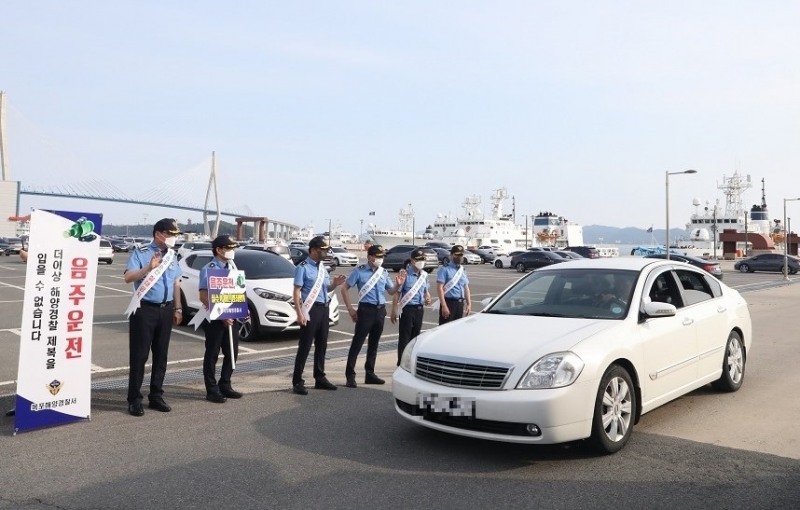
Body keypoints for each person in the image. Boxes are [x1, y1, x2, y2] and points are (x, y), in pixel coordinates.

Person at [123, 218, 183, 417]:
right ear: (158, 234)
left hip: (166, 310)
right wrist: (148, 268)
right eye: (171, 234)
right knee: (140, 355)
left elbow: (176, 283)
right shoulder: (141, 252)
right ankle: (134, 399)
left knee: (161, 355)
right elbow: (128, 277)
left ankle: (156, 395)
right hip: (145, 310)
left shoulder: (172, 255)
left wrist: (178, 308)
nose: (174, 238)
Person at [340, 244, 406, 387]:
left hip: (380, 310)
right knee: (358, 342)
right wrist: (350, 309)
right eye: (378, 256)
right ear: (370, 257)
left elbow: (390, 291)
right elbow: (344, 288)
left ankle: (370, 373)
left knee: (374, 343)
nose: (381, 259)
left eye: (382, 256)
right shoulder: (359, 271)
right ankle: (350, 375)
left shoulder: (383, 272)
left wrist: (398, 285)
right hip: (366, 310)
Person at [291, 236, 346, 395]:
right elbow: (296, 291)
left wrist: (334, 284)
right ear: (313, 250)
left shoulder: (323, 268)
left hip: (324, 309)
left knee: (322, 345)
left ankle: (320, 377)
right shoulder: (302, 267)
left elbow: (325, 289)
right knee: (305, 346)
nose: (325, 253)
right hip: (310, 310)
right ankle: (297, 381)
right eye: (322, 250)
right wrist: (299, 312)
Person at [199, 235, 245, 403]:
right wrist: (222, 315)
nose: (232, 252)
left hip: (231, 319)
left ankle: (225, 384)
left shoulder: (232, 267)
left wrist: (238, 311)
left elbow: (237, 293)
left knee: (232, 352)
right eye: (229, 248)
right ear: (219, 250)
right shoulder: (209, 268)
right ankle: (211, 389)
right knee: (212, 354)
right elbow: (204, 296)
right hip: (215, 320)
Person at [390, 248, 431, 365]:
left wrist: (428, 298)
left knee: (415, 339)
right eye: (419, 259)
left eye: (423, 259)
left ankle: (411, 363)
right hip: (407, 309)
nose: (421, 262)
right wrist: (393, 310)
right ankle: (401, 364)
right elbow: (397, 293)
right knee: (405, 339)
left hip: (419, 309)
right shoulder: (405, 274)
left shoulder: (424, 275)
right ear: (412, 261)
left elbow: (425, 291)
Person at [436, 244, 471, 325]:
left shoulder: (462, 270)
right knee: (445, 328)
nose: (459, 257)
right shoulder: (444, 269)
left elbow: (466, 288)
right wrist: (444, 305)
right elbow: (439, 288)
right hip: (449, 303)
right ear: (451, 256)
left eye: (461, 255)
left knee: (456, 329)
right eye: (457, 255)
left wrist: (469, 304)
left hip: (460, 303)